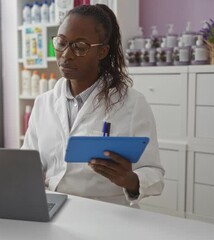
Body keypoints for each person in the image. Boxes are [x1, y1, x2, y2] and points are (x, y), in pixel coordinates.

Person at [21, 4, 164, 206]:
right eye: (61, 43)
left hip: (107, 212)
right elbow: (28, 162)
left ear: (102, 52)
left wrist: (130, 180)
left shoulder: (131, 103)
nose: (66, 54)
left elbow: (154, 173)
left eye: (79, 47)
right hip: (53, 206)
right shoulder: (43, 103)